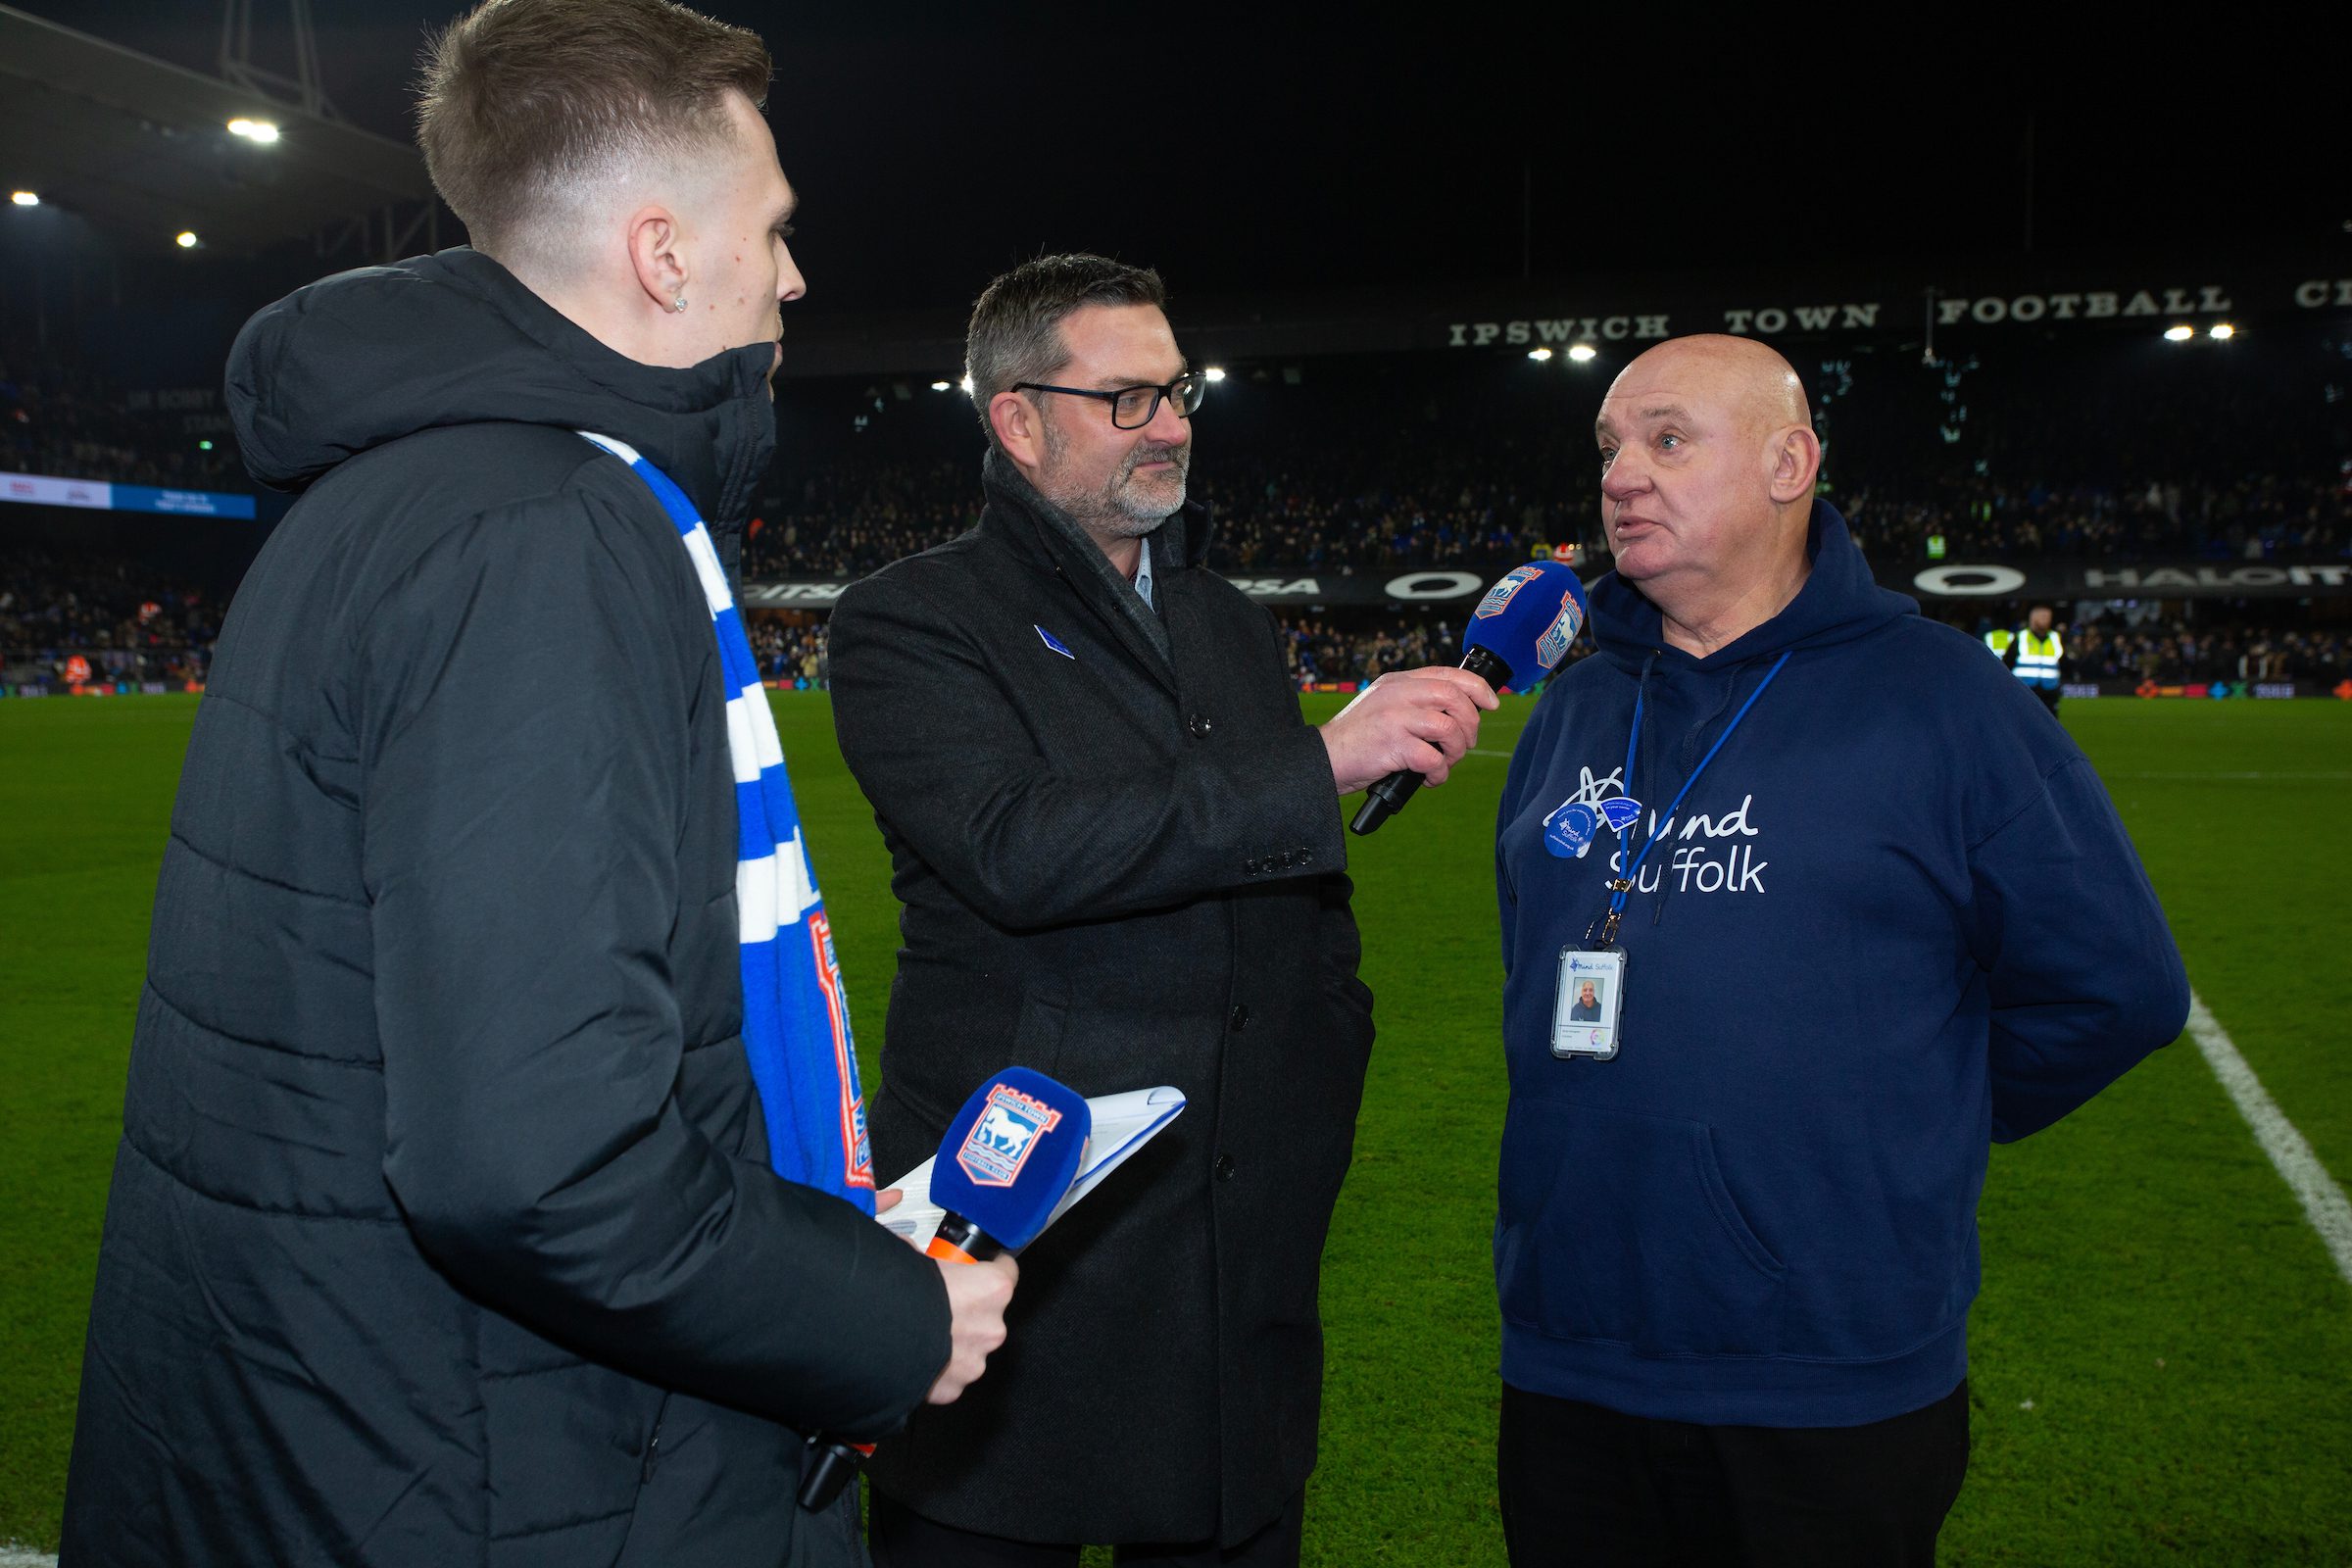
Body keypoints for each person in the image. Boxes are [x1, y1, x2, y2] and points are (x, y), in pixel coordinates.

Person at [59, 4, 1013, 1563]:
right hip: (482, 1468)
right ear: (662, 254)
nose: (791, 275)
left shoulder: (398, 487)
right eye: (769, 228)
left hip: (340, 1428)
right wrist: (882, 1317)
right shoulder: (548, 530)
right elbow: (538, 1162)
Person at [826, 254, 1494, 1565]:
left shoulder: (1230, 625)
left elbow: (1300, 898)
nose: (1175, 423)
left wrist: (1323, 1055)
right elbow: (1018, 848)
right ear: (1020, 420)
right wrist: (1319, 763)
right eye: (1126, 398)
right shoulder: (911, 620)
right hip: (1027, 1242)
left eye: (1176, 389)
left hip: (1235, 1237)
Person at [1493, 335, 2188, 1566]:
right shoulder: (1579, 700)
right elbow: (1534, 963)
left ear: (1788, 461)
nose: (1621, 476)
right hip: (1572, 1354)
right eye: (1608, 447)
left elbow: (2119, 985)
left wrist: (1918, 1113)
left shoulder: (1943, 698)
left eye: (1666, 439)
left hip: (1829, 1377)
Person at [2013, 603, 2066, 715]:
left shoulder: (2055, 638)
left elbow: (2063, 662)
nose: (2047, 620)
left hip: (2050, 690)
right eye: (2043, 617)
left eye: (2048, 617)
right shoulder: (2021, 637)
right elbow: (2007, 663)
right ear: (2033, 618)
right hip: (2025, 689)